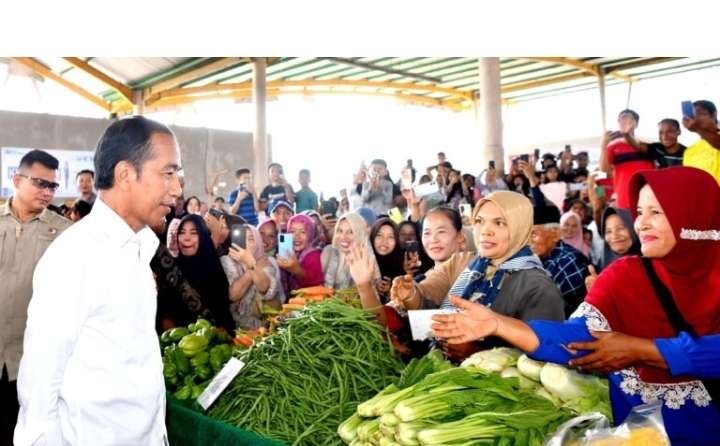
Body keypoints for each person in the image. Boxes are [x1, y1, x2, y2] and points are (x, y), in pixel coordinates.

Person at [431, 167, 720, 446]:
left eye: (656, 212)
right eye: (640, 212)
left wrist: (642, 349)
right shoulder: (624, 276)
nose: (641, 223)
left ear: (693, 215)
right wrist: (498, 324)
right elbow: (576, 340)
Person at [15, 117, 181, 445]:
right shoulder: (75, 257)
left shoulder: (140, 248)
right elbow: (40, 383)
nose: (177, 188)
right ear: (125, 175)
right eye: (168, 173)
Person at [390, 191, 565, 361]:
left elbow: (547, 359)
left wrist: (478, 353)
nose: (485, 231)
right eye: (480, 221)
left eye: (500, 223)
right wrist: (410, 294)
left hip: (492, 387)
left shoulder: (538, 287)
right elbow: (430, 301)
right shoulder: (473, 266)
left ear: (520, 227)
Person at [0, 150, 71, 444]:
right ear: (17, 180)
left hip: (30, 362)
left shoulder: (64, 234)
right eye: (40, 183)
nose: (47, 192)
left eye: (52, 186)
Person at [175, 215, 235, 332]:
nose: (186, 238)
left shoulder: (213, 268)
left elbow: (222, 313)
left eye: (193, 233)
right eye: (182, 232)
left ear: (203, 237)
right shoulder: (172, 268)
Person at [531, 206, 590, 316]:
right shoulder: (538, 258)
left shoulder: (570, 261)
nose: (529, 241)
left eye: (534, 234)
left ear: (556, 235)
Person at [221, 224, 281, 330]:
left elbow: (267, 290)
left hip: (261, 327)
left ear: (258, 243)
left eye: (251, 239)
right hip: (235, 327)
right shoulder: (226, 260)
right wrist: (250, 267)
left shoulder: (266, 261)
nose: (246, 243)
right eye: (242, 238)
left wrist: (251, 264)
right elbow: (233, 295)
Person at [599, 109, 656, 209]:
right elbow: (604, 169)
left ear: (636, 124)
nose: (624, 121)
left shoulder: (647, 146)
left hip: (647, 199)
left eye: (629, 118)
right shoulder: (613, 146)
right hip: (624, 201)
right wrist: (603, 145)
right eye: (621, 118)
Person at [322, 212, 379, 289]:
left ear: (360, 234)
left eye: (351, 232)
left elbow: (372, 294)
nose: (343, 236)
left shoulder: (367, 260)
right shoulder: (328, 252)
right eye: (340, 231)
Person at [277, 214, 323, 294]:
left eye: (303, 232)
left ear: (310, 234)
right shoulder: (288, 252)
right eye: (292, 231)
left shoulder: (314, 255)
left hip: (308, 302)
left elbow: (315, 283)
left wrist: (296, 270)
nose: (297, 236)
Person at [370, 218, 407, 302]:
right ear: (372, 236)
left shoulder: (403, 264)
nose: (384, 241)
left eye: (391, 237)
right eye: (379, 235)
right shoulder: (364, 261)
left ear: (397, 240)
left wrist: (390, 290)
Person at [683, 99, 720, 184]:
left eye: (700, 114)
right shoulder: (689, 152)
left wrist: (697, 128)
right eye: (693, 116)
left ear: (714, 114)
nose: (695, 119)